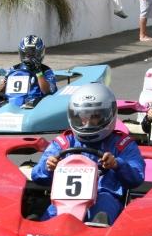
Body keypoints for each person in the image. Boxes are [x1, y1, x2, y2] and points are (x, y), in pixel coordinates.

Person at [30, 83, 145, 226]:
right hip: (64, 200)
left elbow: (137, 177)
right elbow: (36, 175)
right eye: (83, 116)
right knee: (49, 218)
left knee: (103, 211)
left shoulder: (122, 143)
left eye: (95, 116)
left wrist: (117, 164)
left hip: (104, 196)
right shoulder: (64, 142)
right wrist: (48, 166)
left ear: (108, 114)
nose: (87, 122)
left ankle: (98, 234)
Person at [0, 35, 57, 108]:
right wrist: (4, 84)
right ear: (22, 54)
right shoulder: (13, 69)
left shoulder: (46, 70)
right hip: (13, 102)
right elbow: (2, 89)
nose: (30, 57)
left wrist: (38, 72)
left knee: (34, 103)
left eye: (33, 55)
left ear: (39, 54)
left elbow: (48, 91)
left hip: (35, 103)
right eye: (27, 54)